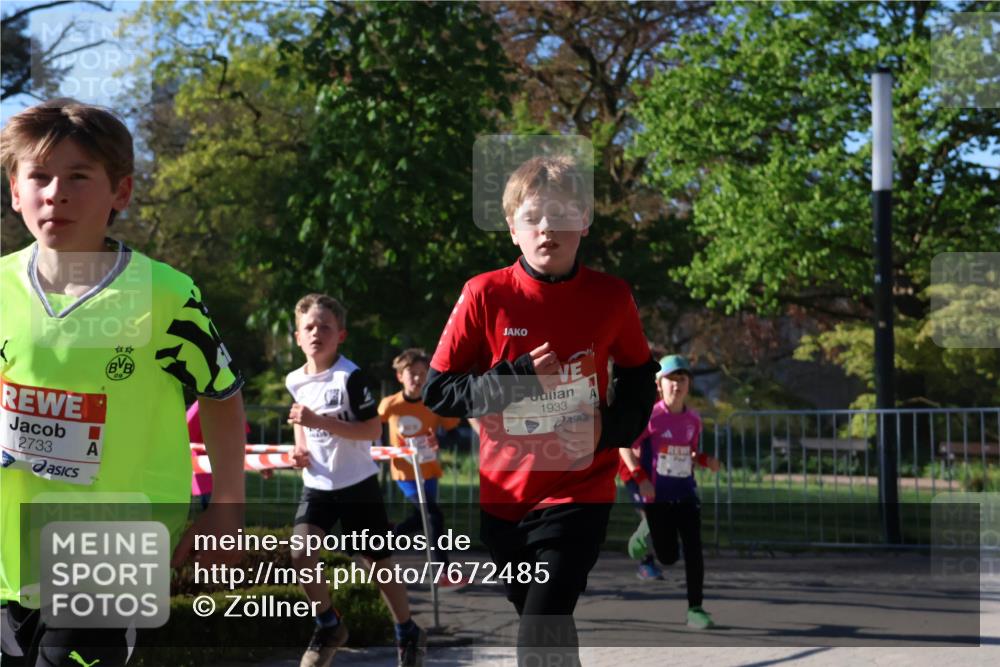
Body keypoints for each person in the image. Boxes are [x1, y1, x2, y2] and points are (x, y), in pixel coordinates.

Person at [0, 99, 247, 666]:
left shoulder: (165, 295)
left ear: (122, 192)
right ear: (16, 191)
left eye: (78, 177)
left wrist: (227, 507)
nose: (54, 193)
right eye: (38, 176)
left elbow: (221, 393)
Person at [423, 155, 658, 666]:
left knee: (540, 626)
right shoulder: (484, 294)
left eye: (561, 214)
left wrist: (607, 427)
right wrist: (515, 378)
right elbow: (438, 392)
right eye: (533, 217)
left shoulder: (612, 297)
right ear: (512, 228)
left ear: (584, 223)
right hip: (505, 497)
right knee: (543, 621)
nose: (547, 227)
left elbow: (641, 378)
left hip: (579, 489)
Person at [285, 294, 425, 667]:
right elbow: (302, 425)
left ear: (340, 335)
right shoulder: (294, 380)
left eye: (325, 327)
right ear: (297, 337)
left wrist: (321, 422)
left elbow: (369, 430)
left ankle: (406, 629)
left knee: (377, 564)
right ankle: (329, 623)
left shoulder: (350, 375)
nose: (316, 333)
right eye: (309, 328)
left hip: (358, 484)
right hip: (318, 484)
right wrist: (300, 452)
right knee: (300, 551)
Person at [619, 354, 721, 630]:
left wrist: (705, 461)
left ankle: (695, 609)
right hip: (657, 496)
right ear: (659, 385)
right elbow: (624, 446)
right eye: (671, 379)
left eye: (682, 379)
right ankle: (645, 530)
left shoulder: (693, 419)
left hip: (686, 492)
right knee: (667, 557)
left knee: (693, 551)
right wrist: (641, 478)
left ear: (688, 384)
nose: (677, 385)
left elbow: (689, 452)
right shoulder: (651, 417)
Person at [378, 349, 463, 578]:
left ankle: (386, 539)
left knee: (423, 518)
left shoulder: (434, 403)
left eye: (422, 374)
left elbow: (454, 434)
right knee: (432, 517)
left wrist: (440, 440)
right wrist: (376, 451)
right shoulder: (389, 404)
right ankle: (443, 571)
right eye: (411, 373)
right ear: (400, 376)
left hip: (429, 470)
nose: (417, 379)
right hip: (405, 473)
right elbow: (373, 429)